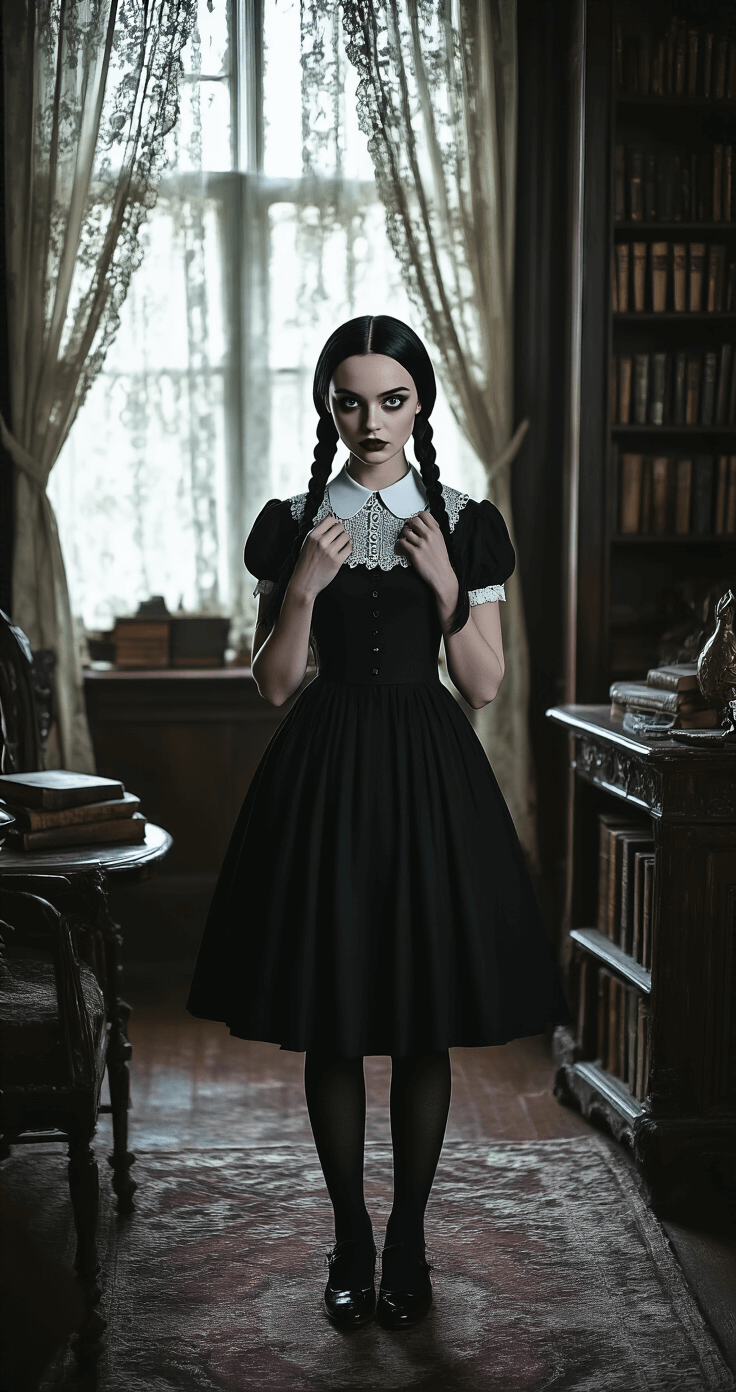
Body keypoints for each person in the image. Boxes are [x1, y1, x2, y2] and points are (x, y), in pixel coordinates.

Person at [187, 314, 571, 1331]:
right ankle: (350, 1240)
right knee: (335, 1020)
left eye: (391, 399)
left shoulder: (463, 518)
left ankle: (408, 1243)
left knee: (417, 1022)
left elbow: (484, 686)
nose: (370, 419)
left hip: (426, 775)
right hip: (324, 772)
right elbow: (273, 687)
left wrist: (447, 583)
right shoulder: (293, 521)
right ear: (326, 404)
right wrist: (302, 593)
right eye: (348, 399)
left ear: (420, 403)